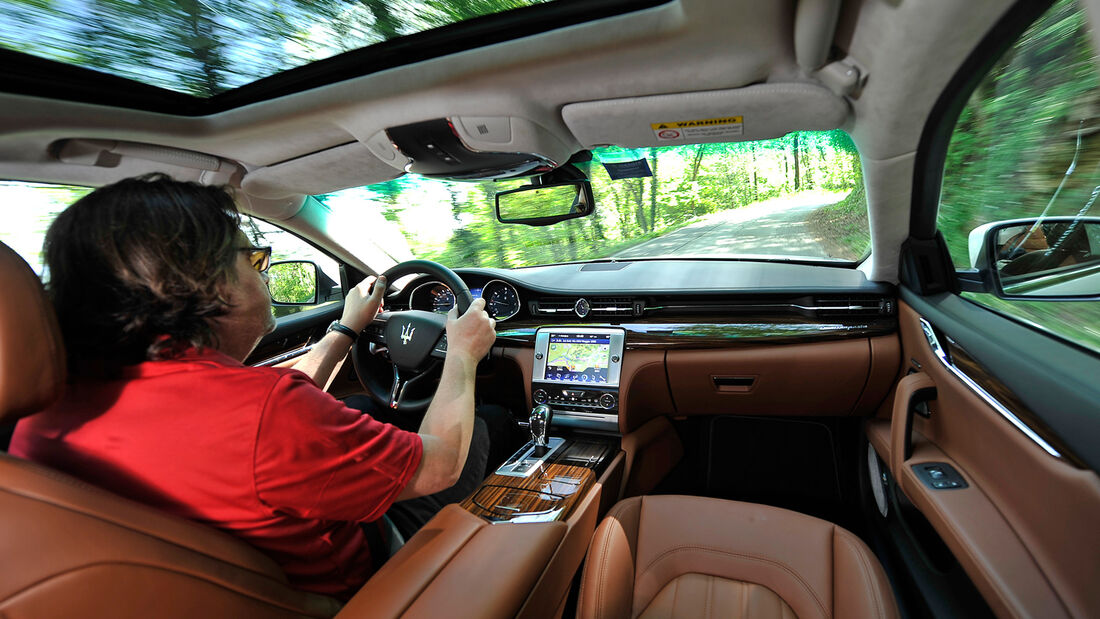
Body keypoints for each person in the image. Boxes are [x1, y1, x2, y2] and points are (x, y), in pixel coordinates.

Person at [9, 174, 498, 599]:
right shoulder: (266, 415)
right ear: (208, 280)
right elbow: (439, 465)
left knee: (353, 404)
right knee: (480, 424)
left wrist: (347, 328)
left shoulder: (37, 419)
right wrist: (462, 353)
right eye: (256, 258)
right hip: (368, 581)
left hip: (245, 579)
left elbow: (264, 414)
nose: (262, 272)